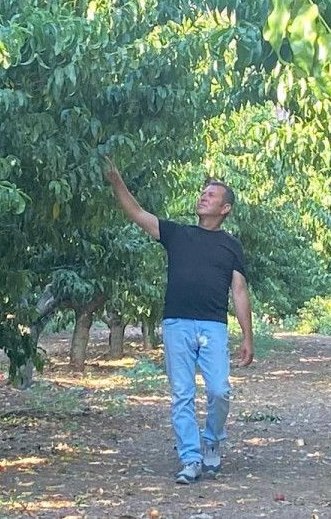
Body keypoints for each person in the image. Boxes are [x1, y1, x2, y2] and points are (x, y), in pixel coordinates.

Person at [104, 158, 254, 485]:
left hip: (213, 326)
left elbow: (239, 290)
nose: (203, 197)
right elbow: (137, 214)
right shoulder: (177, 234)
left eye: (211, 195)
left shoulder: (231, 246)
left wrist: (247, 336)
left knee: (219, 390)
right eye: (203, 193)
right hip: (176, 324)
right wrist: (117, 182)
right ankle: (190, 458)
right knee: (182, 395)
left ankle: (211, 439)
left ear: (225, 208)